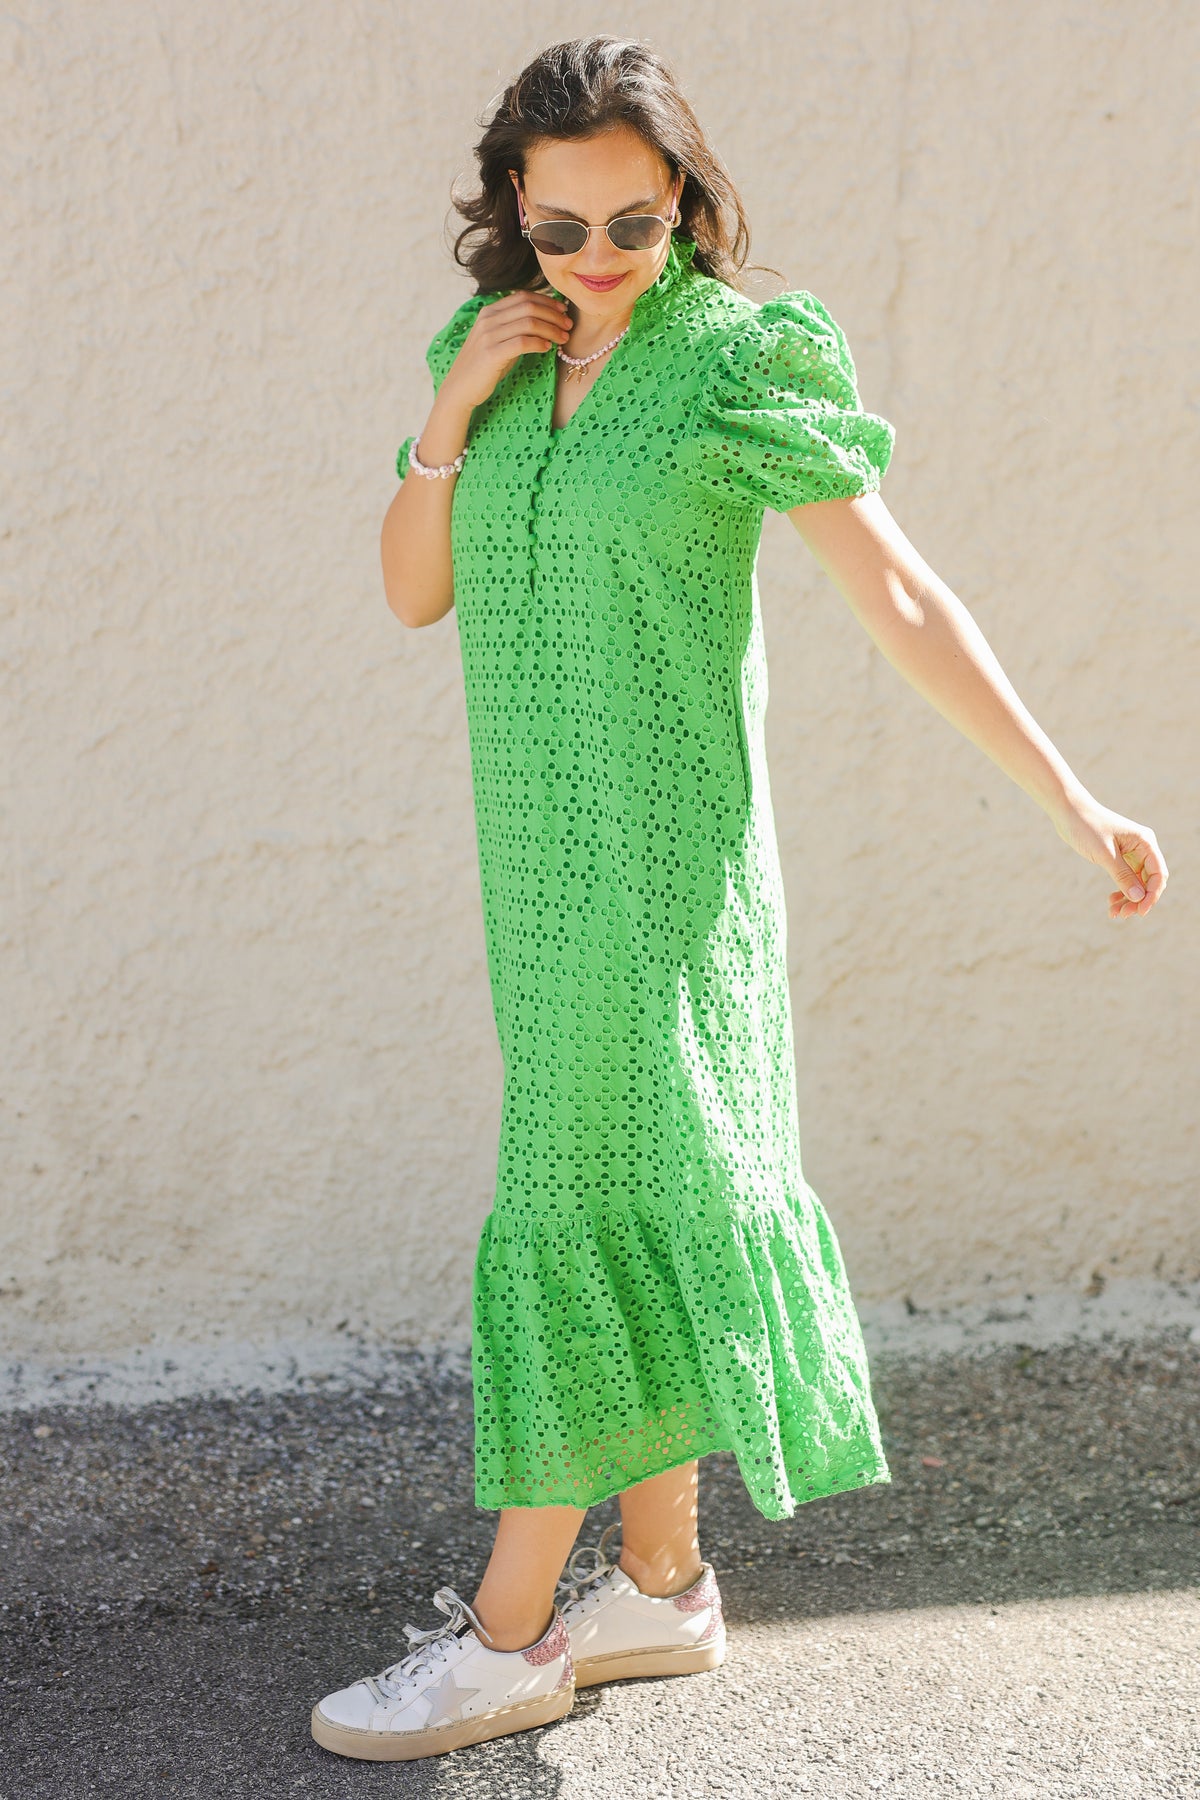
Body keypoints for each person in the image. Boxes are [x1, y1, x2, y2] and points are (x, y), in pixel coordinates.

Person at [311, 35, 1168, 1764]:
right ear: (513, 210)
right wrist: (454, 405)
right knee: (633, 1188)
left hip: (666, 869)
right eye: (562, 227)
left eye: (637, 222)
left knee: (579, 1189)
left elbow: (897, 591)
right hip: (539, 870)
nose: (600, 258)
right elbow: (412, 592)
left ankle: (507, 1635)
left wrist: (1071, 798)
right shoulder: (493, 351)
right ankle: (663, 1583)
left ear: (685, 200)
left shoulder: (736, 355)